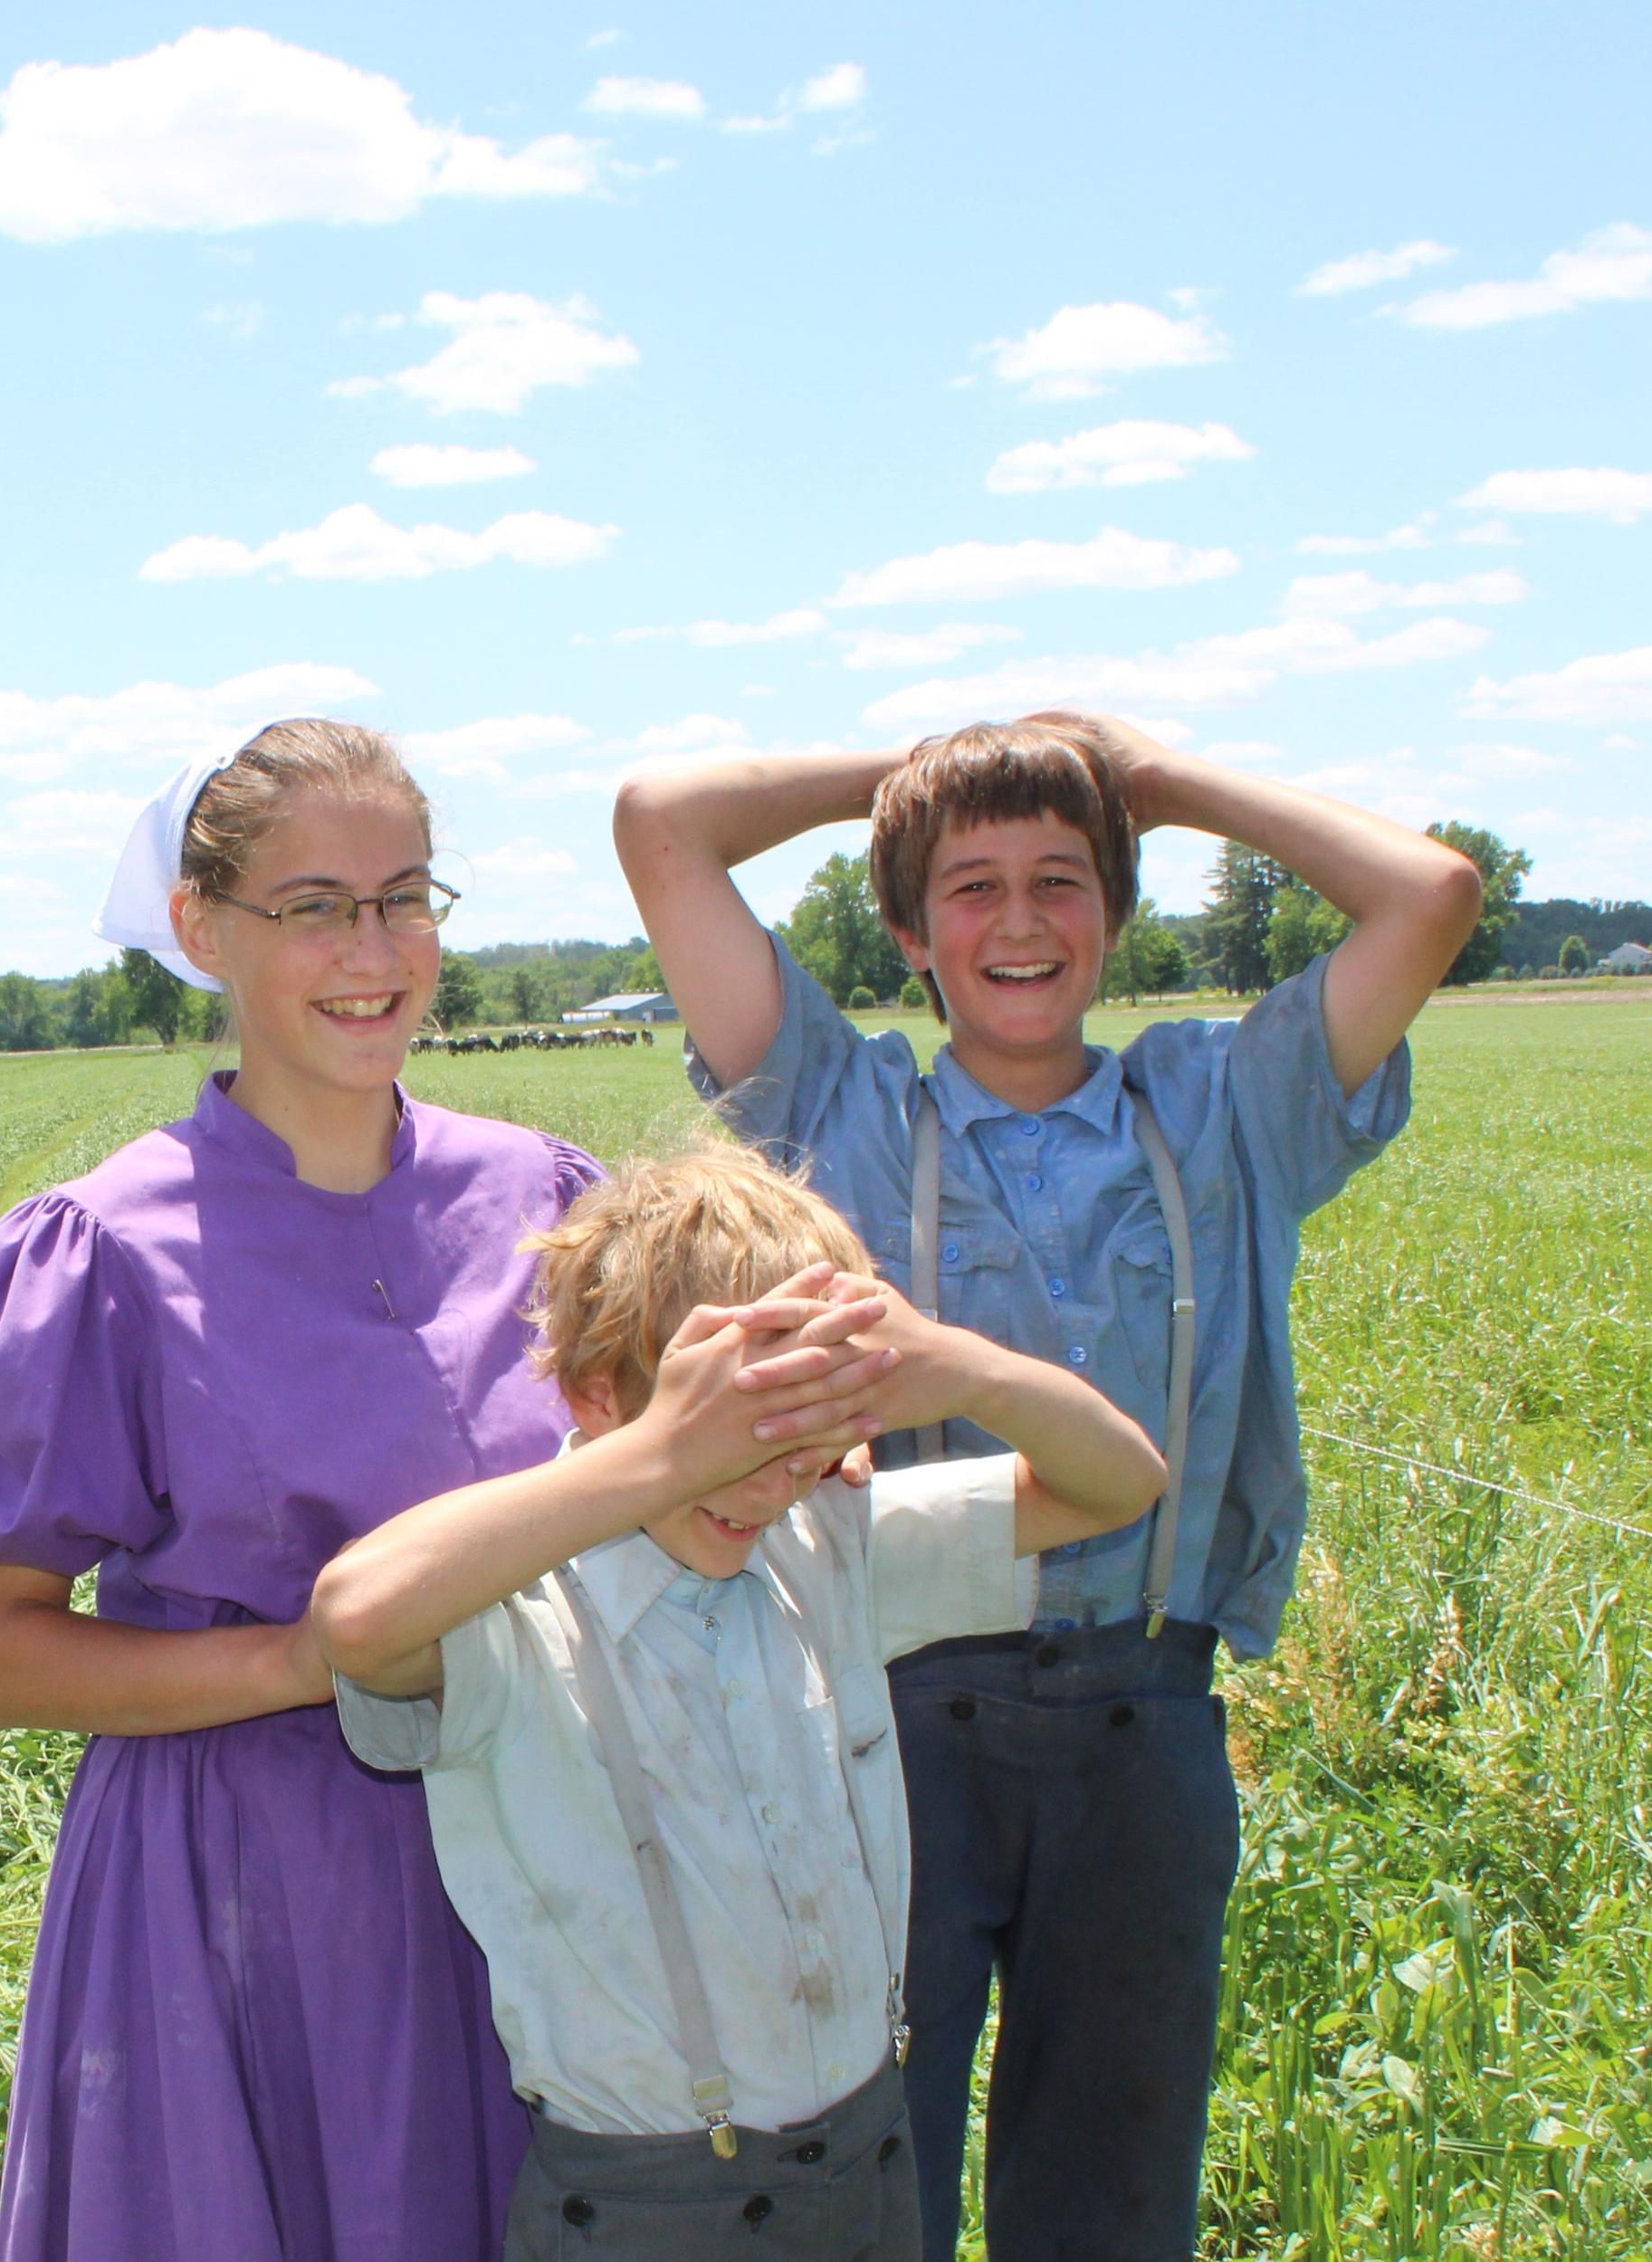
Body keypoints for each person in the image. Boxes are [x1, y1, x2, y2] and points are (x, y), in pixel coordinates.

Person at [0, 721, 888, 2262]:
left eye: (404, 896)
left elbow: (655, 1459)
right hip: (253, 1888)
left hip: (552, 1840)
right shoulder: (99, 1245)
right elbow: (2, 1652)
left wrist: (795, 1442)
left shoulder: (541, 1193)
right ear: (200, 926)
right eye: (312, 904)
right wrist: (300, 1657)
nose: (373, 949)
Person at [612, 715, 1478, 2259]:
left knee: (1115, 2189)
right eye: (972, 884)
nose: (1020, 922)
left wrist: (1167, 774)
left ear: (1120, 909)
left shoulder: (1225, 1107)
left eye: (1065, 878)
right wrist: (907, 765)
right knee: (872, 2173)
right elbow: (661, 821)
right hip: (883, 1715)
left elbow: (1429, 894)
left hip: (1146, 1717)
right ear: (904, 927)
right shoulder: (833, 1104)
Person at [312, 1146, 1163, 2259]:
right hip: (645, 2206)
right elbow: (356, 1616)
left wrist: (962, 1370)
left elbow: (1121, 1481)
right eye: (735, 1446)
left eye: (808, 1446)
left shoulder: (826, 1543)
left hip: (870, 2168)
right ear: (594, 1396)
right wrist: (663, 1458)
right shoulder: (518, 1618)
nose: (773, 1486)